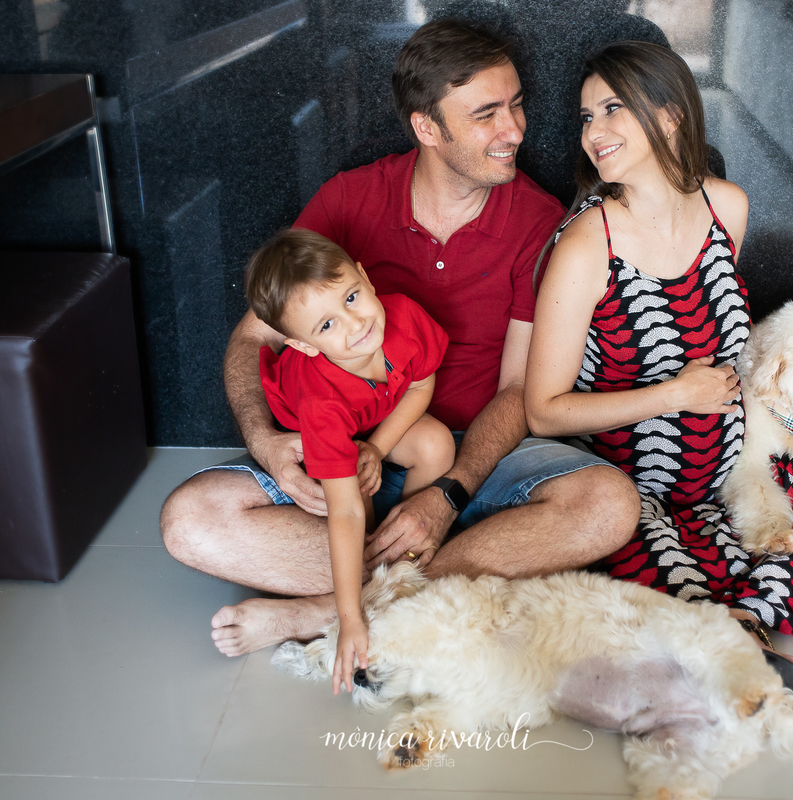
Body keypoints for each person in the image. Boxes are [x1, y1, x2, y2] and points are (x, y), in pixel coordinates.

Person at [160, 19, 641, 662]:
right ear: (426, 127)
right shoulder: (349, 201)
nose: (514, 131)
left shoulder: (539, 220)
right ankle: (457, 574)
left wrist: (447, 495)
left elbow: (519, 389)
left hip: (480, 459)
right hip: (350, 448)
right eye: (486, 115)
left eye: (517, 104)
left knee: (608, 504)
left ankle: (328, 612)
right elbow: (253, 338)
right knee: (190, 520)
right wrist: (265, 443)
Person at [525, 41, 793, 685]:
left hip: (740, 467)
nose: (594, 132)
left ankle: (735, 620)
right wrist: (672, 396)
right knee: (652, 570)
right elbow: (544, 412)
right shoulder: (587, 245)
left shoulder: (727, 207)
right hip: (637, 488)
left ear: (670, 114)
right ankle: (747, 621)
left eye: (612, 109)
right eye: (586, 116)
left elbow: (721, 332)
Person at [245, 228, 455, 692]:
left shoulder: (404, 318)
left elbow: (420, 385)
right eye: (326, 326)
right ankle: (365, 578)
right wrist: (350, 618)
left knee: (437, 445)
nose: (356, 323)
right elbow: (344, 511)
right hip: (313, 426)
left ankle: (405, 555)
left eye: (352, 297)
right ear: (303, 345)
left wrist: (376, 447)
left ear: (365, 277)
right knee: (356, 494)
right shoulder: (319, 403)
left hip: (373, 412)